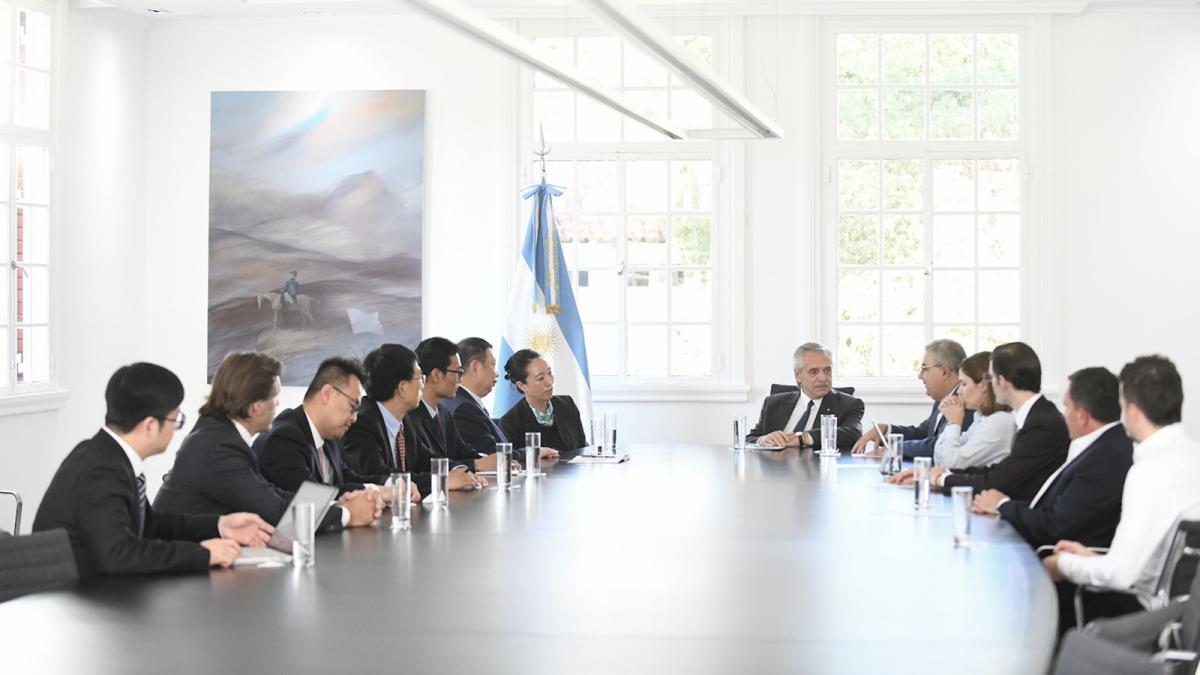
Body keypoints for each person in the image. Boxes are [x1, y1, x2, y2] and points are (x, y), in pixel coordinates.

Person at [32, 363, 274, 578]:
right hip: (73, 605)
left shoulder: (109, 457)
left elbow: (150, 525)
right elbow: (118, 554)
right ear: (149, 425)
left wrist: (220, 525)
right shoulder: (100, 470)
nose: (176, 429)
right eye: (175, 420)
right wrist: (202, 554)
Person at [1044, 356, 1200, 616]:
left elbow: (1120, 576)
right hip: (1185, 611)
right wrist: (1090, 556)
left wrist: (1063, 564)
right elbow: (1152, 565)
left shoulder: (1148, 473)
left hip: (1154, 615)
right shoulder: (1193, 455)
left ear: (1133, 411)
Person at [154, 351, 377, 530]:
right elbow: (274, 510)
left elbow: (271, 493)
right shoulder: (219, 447)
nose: (278, 405)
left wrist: (334, 505)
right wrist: (347, 514)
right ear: (255, 406)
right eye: (274, 398)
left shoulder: (220, 436)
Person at [972, 366, 1132, 551]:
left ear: (1082, 416)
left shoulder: (1105, 459)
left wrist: (1002, 505)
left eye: (1067, 407)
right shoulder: (1104, 445)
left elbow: (1056, 526)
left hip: (1056, 562)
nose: (1064, 415)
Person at [897, 342, 1068, 501]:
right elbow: (998, 471)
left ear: (1001, 381)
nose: (987, 385)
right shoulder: (1036, 415)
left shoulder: (1041, 423)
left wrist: (940, 477)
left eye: (990, 378)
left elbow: (1001, 479)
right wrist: (937, 474)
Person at [254, 357, 385, 521]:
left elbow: (347, 478)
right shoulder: (283, 437)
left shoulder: (328, 436)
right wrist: (372, 494)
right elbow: (310, 494)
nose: (355, 418)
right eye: (353, 407)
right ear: (327, 394)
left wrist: (381, 488)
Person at [343, 344, 481, 498]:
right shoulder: (362, 423)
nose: (423, 384)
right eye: (421, 377)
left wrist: (461, 471)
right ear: (402, 388)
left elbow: (428, 460)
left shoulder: (403, 420)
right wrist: (441, 481)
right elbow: (380, 476)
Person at [852, 339, 972, 459]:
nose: (920, 375)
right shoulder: (943, 399)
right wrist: (886, 430)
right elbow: (922, 434)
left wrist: (894, 449)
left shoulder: (965, 402)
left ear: (944, 372)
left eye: (925, 368)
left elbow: (938, 445)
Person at [745, 342, 864, 451]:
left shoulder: (849, 404)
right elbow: (750, 439)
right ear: (798, 375)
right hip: (777, 471)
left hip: (818, 470)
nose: (823, 378)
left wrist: (804, 438)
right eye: (814, 372)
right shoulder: (773, 403)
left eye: (827, 370)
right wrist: (763, 440)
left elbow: (854, 433)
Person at [409, 337, 502, 474]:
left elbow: (463, 452)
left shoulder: (443, 412)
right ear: (436, 375)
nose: (461, 379)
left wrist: (489, 460)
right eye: (458, 372)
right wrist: (476, 464)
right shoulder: (410, 416)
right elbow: (428, 466)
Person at [932, 351, 1015, 470]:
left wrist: (954, 423)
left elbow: (950, 464)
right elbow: (939, 459)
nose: (959, 391)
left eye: (964, 384)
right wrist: (952, 423)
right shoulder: (981, 418)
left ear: (983, 385)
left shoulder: (999, 421)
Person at [498, 349, 581, 454]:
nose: (549, 382)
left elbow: (581, 448)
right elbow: (512, 462)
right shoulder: (510, 422)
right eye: (540, 378)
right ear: (522, 386)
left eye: (549, 373)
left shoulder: (567, 405)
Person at [444, 337, 508, 454]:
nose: (497, 374)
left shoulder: (463, 402)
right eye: (493, 365)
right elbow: (491, 455)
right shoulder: (464, 408)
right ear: (475, 368)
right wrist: (532, 453)